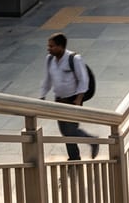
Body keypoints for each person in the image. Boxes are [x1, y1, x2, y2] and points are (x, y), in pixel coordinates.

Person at [39, 33, 97, 161]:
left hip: (72, 100)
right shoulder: (49, 60)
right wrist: (42, 96)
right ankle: (74, 157)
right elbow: (47, 80)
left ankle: (92, 141)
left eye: (52, 46)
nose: (49, 48)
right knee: (64, 132)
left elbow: (83, 80)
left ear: (61, 46)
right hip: (59, 100)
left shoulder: (75, 59)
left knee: (70, 130)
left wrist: (78, 99)